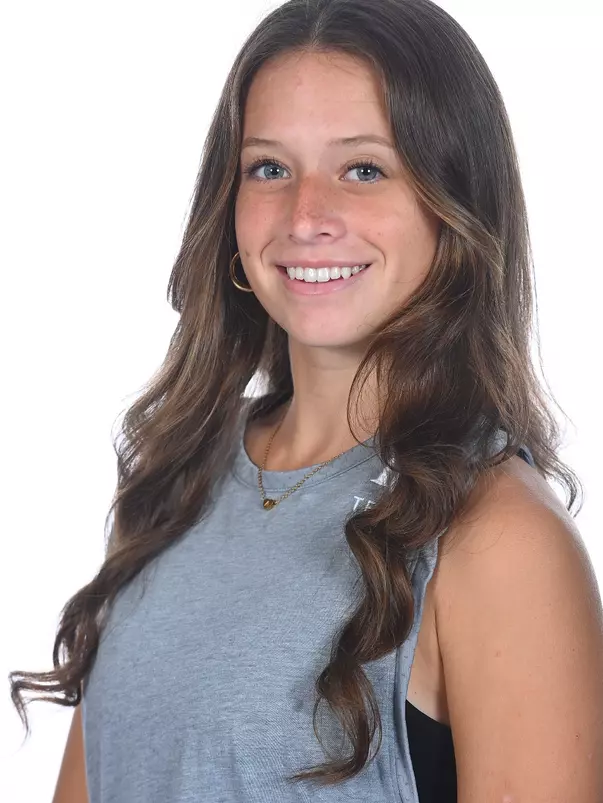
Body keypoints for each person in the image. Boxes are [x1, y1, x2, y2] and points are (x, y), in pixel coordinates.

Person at [10, 0, 603, 801]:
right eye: (269, 168)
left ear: (451, 205)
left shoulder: (495, 537)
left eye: (364, 168)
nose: (306, 216)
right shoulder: (171, 484)